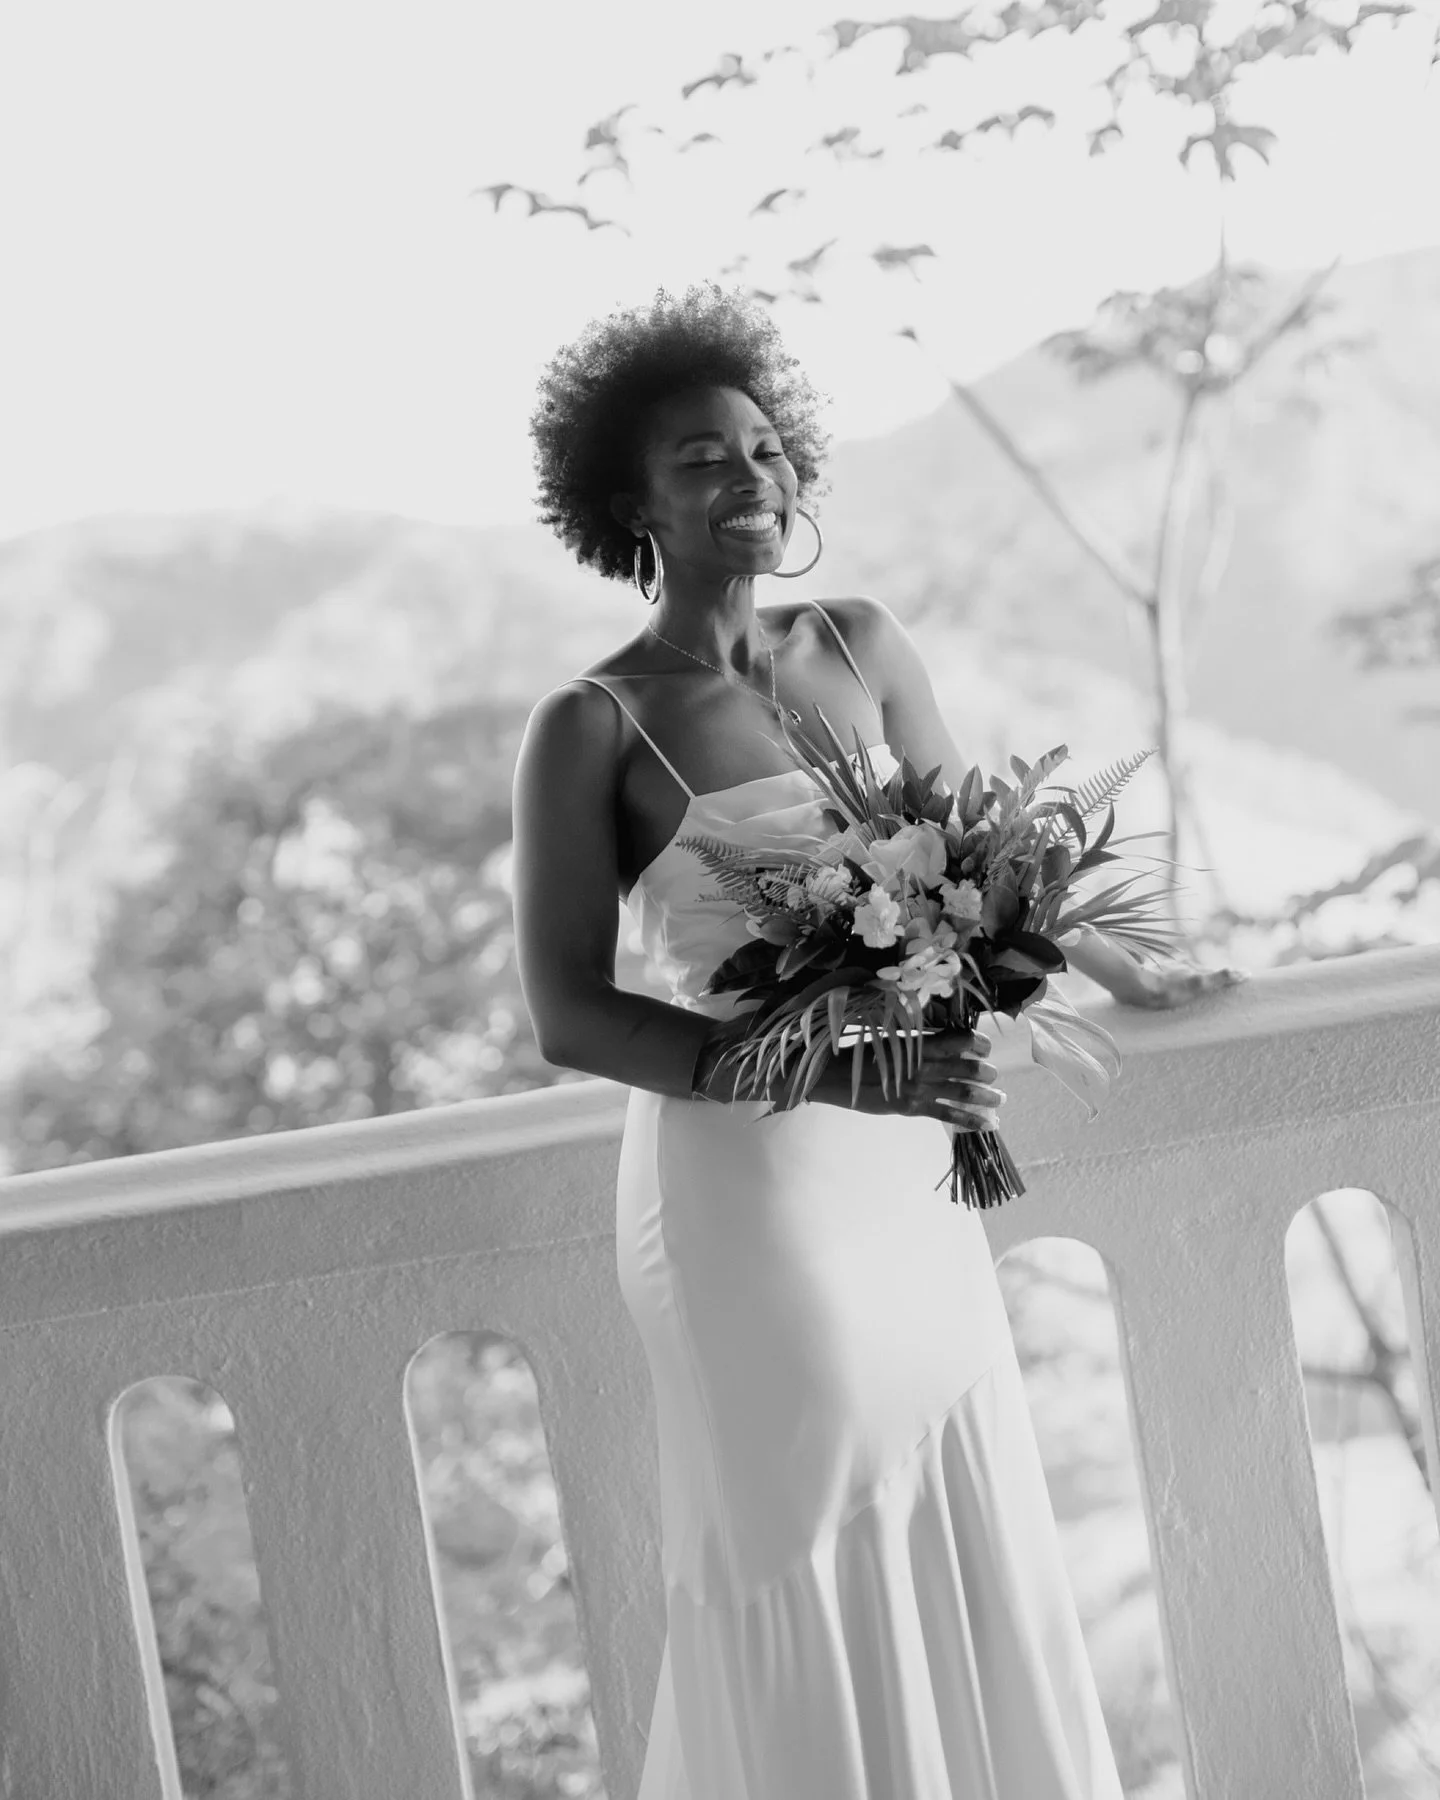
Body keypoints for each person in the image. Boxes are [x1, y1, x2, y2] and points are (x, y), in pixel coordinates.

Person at [511, 284, 1241, 1800]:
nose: (752, 477)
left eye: (766, 448)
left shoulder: (856, 639)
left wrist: (1125, 963)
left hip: (905, 1171)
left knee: (951, 1498)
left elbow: (982, 853)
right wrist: (850, 1072)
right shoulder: (590, 725)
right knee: (804, 1527)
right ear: (630, 504)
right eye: (703, 460)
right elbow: (570, 1013)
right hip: (750, 1191)